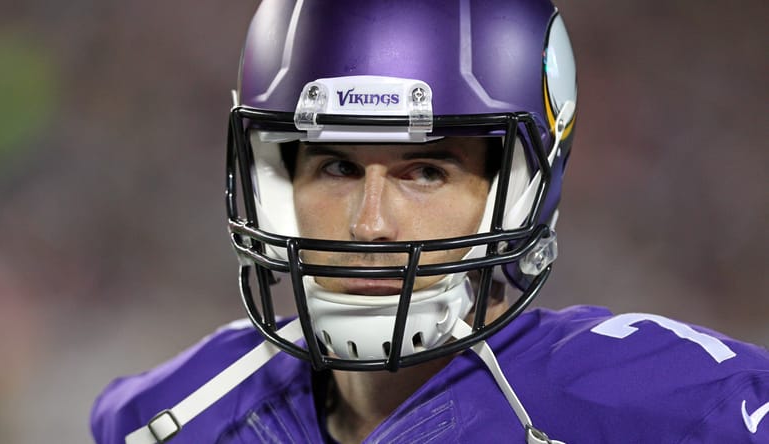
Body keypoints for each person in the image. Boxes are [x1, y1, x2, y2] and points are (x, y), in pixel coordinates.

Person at [90, 1, 769, 443]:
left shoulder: (661, 406)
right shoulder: (173, 412)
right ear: (273, 184)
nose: (371, 224)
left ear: (521, 188)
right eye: (336, 168)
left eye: (425, 172)